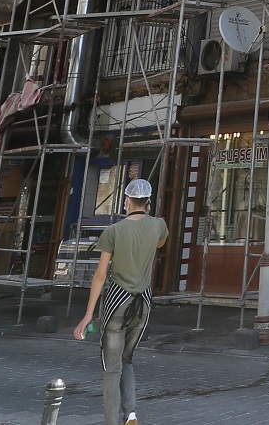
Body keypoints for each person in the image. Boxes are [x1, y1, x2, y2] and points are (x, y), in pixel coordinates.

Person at [74, 179, 167, 425]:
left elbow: (100, 275)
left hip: (117, 302)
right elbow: (160, 242)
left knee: (112, 368)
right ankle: (131, 414)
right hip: (143, 303)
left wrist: (88, 315)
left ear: (126, 200)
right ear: (148, 202)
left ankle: (111, 422)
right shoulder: (158, 225)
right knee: (127, 359)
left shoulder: (113, 231)